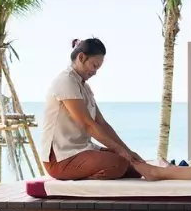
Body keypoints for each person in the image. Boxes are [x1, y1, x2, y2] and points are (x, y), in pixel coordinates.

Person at [41, 38, 166, 181]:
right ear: (81, 57)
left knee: (134, 167)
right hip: (61, 158)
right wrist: (119, 151)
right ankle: (83, 178)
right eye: (94, 66)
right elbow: (87, 124)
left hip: (81, 151)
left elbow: (101, 123)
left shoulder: (84, 87)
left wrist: (128, 152)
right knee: (117, 164)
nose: (95, 72)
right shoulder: (65, 81)